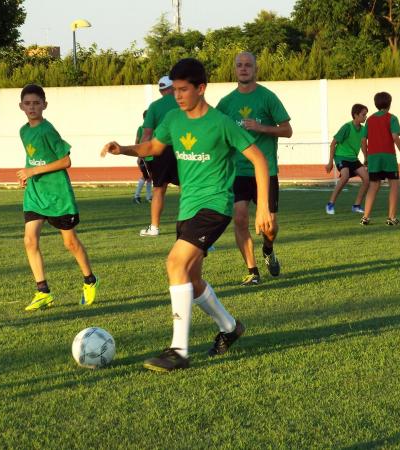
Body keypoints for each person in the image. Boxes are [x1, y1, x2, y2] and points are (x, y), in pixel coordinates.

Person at [101, 58, 273, 372]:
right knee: (191, 279)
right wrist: (122, 148)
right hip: (189, 207)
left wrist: (262, 207)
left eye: (183, 90)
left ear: (201, 88)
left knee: (174, 263)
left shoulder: (221, 122)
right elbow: (153, 146)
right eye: (175, 90)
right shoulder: (174, 119)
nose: (177, 96)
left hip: (215, 206)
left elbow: (259, 160)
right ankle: (230, 326)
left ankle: (178, 350)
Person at [16, 84, 98, 311]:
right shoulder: (24, 131)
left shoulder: (47, 130)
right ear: (21, 106)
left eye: (36, 103)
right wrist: (27, 173)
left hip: (58, 196)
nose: (32, 107)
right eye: (27, 103)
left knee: (70, 243)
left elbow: (65, 161)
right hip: (35, 195)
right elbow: (34, 159)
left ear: (44, 105)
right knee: (29, 240)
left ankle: (90, 280)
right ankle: (43, 291)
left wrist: (32, 171)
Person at [216, 51, 292, 286]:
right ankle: (253, 270)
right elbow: (216, 132)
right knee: (239, 218)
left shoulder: (268, 98)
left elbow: (287, 130)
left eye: (248, 65)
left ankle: (268, 249)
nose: (244, 69)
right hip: (238, 172)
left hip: (265, 172)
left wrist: (262, 127)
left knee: (269, 226)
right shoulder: (226, 103)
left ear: (255, 69)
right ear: (235, 69)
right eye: (239, 65)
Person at [139, 75, 180, 236]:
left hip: (160, 151)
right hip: (183, 149)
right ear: (173, 87)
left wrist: (142, 154)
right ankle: (192, 229)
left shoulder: (154, 106)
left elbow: (147, 133)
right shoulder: (182, 102)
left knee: (158, 190)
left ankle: (154, 227)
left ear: (161, 89)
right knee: (188, 190)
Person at [360, 92, 400, 226]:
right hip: (388, 156)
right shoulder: (392, 118)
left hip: (373, 157)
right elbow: (395, 137)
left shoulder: (369, 120)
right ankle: (391, 218)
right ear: (390, 103)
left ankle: (365, 217)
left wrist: (366, 157)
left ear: (376, 104)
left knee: (373, 186)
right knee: (394, 185)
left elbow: (363, 140)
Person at [325, 104, 370, 215]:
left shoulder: (364, 130)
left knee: (367, 179)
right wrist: (330, 161)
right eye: (363, 115)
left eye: (366, 115)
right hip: (341, 156)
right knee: (345, 176)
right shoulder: (346, 127)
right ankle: (330, 203)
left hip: (353, 159)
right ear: (355, 115)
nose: (365, 117)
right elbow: (333, 144)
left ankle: (356, 205)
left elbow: (364, 145)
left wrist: (366, 158)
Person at [133, 110, 152, 204]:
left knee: (150, 176)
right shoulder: (141, 128)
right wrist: (139, 155)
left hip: (151, 156)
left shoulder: (153, 128)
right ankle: (136, 196)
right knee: (145, 176)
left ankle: (149, 197)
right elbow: (136, 142)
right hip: (144, 157)